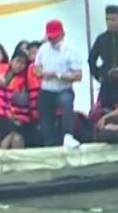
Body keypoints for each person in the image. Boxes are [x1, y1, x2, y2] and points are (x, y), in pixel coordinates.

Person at [33, 19, 84, 147]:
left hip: (63, 89)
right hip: (46, 89)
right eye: (50, 37)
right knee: (45, 116)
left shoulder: (70, 50)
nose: (52, 40)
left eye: (54, 37)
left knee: (67, 104)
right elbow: (36, 68)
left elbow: (78, 75)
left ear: (62, 35)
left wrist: (57, 75)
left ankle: (68, 135)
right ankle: (49, 141)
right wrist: (40, 73)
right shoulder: (43, 49)